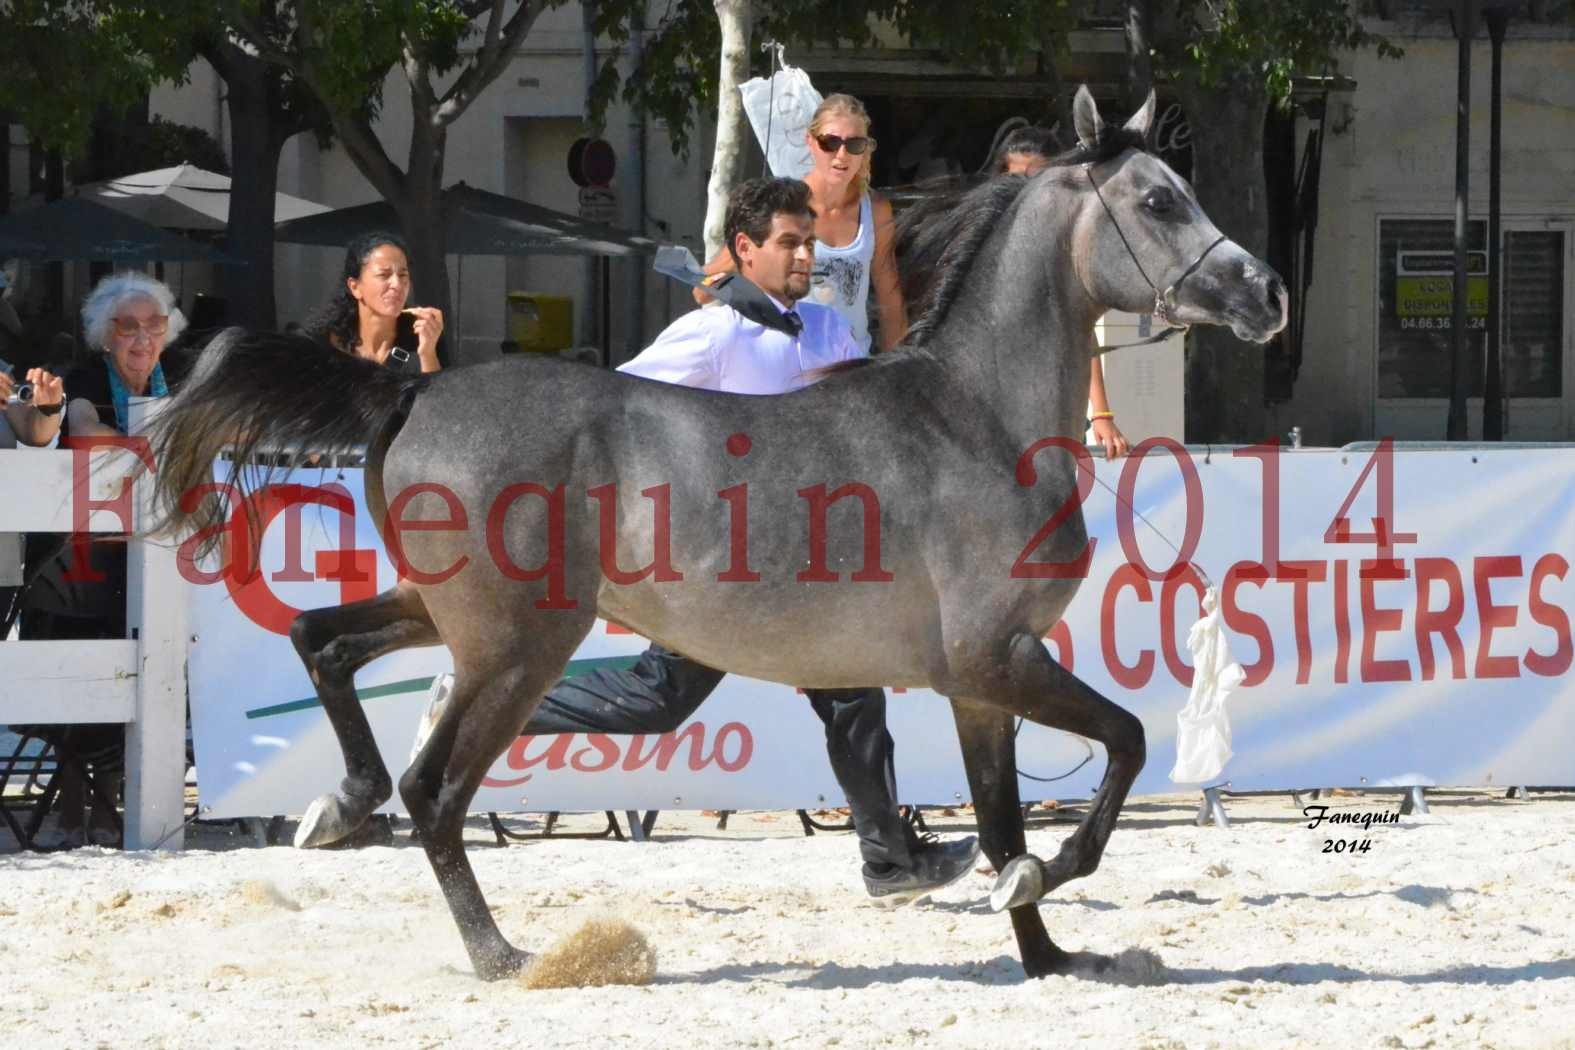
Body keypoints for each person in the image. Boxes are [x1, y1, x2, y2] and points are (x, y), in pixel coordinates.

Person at [418, 178, 979, 904]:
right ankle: (464, 701)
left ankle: (888, 858)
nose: (805, 254)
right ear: (744, 250)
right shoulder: (711, 334)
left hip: (815, 562)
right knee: (657, 702)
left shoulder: (828, 330)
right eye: (788, 242)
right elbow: (614, 415)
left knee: (852, 697)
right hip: (724, 564)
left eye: (808, 242)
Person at [9, 272, 189, 847]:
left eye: (153, 325)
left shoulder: (182, 380)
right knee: (90, 627)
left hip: (162, 559)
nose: (142, 337)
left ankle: (116, 782)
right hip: (75, 567)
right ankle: (80, 791)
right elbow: (88, 432)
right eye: (128, 326)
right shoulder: (84, 379)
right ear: (105, 335)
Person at [701, 94, 907, 354]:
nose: (841, 155)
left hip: (850, 367)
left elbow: (890, 298)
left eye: (854, 144)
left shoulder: (875, 210)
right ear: (810, 141)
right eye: (830, 142)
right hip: (786, 366)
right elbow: (703, 289)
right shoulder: (779, 205)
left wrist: (897, 376)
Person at [994, 126, 1130, 460]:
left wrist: (1101, 413)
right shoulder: (983, 237)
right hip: (991, 404)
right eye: (1015, 178)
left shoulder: (1066, 244)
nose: (1025, 189)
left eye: (1036, 178)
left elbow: (1082, 332)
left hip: (1054, 403)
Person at [304, 231, 444, 373]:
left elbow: (437, 394)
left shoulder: (423, 340)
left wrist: (427, 354)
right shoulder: (324, 347)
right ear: (355, 287)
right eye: (384, 275)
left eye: (403, 275)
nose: (397, 284)